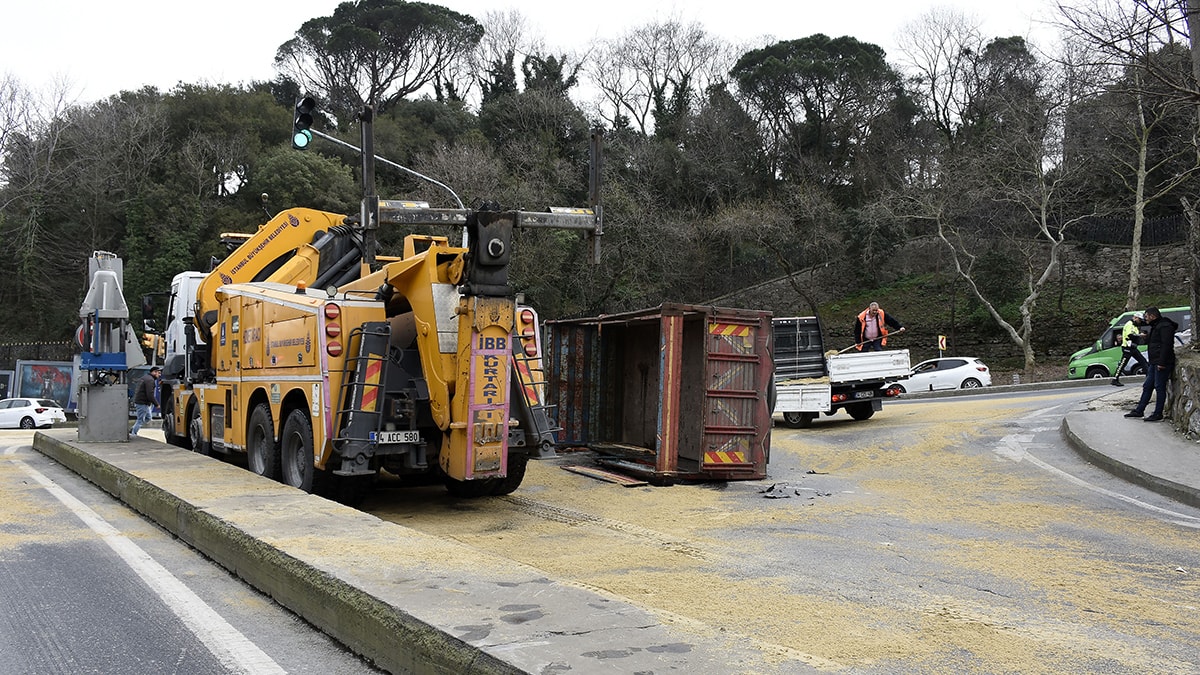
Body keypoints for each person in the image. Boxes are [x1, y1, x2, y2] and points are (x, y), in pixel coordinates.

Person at [1124, 307, 1178, 422]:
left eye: (1147, 316)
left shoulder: (1164, 326)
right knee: (1148, 386)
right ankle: (1139, 410)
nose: (1145, 319)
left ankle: (1158, 413)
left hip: (1161, 362)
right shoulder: (1156, 326)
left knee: (1159, 387)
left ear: (1153, 316)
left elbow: (1166, 345)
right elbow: (1153, 341)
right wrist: (1139, 338)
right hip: (1154, 361)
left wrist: (1162, 362)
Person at [1111, 313, 1148, 386]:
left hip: (1133, 348)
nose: (1140, 321)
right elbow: (1130, 335)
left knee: (1143, 362)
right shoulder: (1129, 324)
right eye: (1139, 319)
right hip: (1127, 348)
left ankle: (1149, 378)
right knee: (1122, 364)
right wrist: (1140, 335)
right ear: (1135, 318)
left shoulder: (1135, 326)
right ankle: (1115, 379)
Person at [131, 365, 162, 436]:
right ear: (154, 372)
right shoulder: (150, 380)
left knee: (148, 417)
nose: (159, 375)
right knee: (140, 420)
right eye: (158, 373)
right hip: (142, 402)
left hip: (143, 402)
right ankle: (133, 433)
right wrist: (156, 404)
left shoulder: (146, 378)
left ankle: (133, 429)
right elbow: (150, 394)